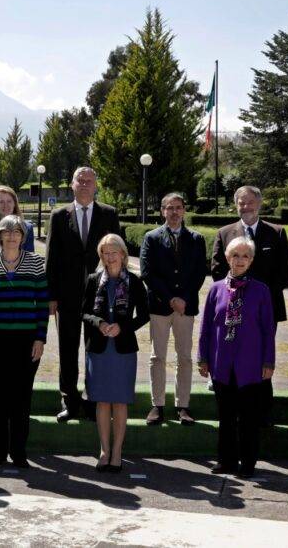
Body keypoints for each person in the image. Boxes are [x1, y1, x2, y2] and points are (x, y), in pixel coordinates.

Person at [45, 166, 121, 422]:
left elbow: (118, 256)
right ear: (72, 184)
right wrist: (51, 296)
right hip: (66, 298)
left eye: (90, 181)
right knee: (67, 349)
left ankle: (93, 400)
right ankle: (68, 399)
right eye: (81, 180)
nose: (85, 184)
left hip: (98, 298)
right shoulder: (58, 216)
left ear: (96, 185)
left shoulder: (109, 214)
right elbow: (51, 258)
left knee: (95, 349)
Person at [0, 215, 48, 468]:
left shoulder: (36, 263)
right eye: (8, 232)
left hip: (26, 342)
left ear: (23, 237)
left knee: (21, 398)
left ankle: (19, 453)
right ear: (0, 236)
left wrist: (40, 338)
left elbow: (42, 306)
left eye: (17, 232)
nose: (12, 236)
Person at [210, 186, 288, 426]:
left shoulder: (276, 233)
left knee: (262, 360)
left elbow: (283, 272)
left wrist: (258, 297)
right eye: (241, 203)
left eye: (250, 203)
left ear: (260, 203)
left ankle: (262, 413)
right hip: (231, 313)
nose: (246, 207)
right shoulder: (224, 233)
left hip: (263, 312)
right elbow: (216, 270)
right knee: (234, 361)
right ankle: (233, 412)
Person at [198, 237, 276, 479]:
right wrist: (203, 357)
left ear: (251, 260)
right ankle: (226, 460)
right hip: (221, 363)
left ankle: (248, 463)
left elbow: (268, 329)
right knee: (226, 417)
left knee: (248, 419)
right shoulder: (216, 289)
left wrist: (268, 361)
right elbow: (206, 327)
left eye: (245, 256)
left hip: (251, 365)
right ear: (227, 258)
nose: (239, 260)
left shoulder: (261, 290)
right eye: (235, 255)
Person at [82, 233, 148, 473]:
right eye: (105, 253)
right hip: (99, 349)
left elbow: (144, 315)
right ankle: (104, 450)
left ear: (123, 253)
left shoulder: (135, 281)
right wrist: (99, 322)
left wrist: (123, 326)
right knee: (102, 401)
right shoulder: (92, 279)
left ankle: (117, 451)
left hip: (122, 350)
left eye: (114, 252)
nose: (109, 257)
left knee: (119, 401)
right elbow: (84, 312)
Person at [140, 192, 208, 425]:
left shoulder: (197, 239)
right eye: (169, 208)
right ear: (162, 211)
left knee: (185, 358)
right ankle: (157, 405)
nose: (174, 212)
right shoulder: (151, 237)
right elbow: (147, 272)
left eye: (178, 207)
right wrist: (171, 299)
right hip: (160, 306)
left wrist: (184, 299)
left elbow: (200, 273)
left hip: (186, 308)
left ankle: (182, 406)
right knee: (157, 357)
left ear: (184, 210)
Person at [0, 185, 35, 256]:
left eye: (9, 201)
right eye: (1, 202)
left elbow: (29, 259)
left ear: (14, 204)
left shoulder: (27, 228)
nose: (5, 205)